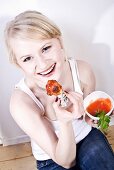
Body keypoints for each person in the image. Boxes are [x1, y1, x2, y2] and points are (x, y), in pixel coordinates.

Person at [4, 10, 114, 170]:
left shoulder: (82, 71)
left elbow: (85, 115)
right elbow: (66, 161)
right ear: (18, 65)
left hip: (87, 137)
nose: (42, 64)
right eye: (27, 58)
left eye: (46, 48)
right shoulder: (21, 102)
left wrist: (96, 115)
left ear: (60, 43)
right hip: (53, 157)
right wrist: (64, 122)